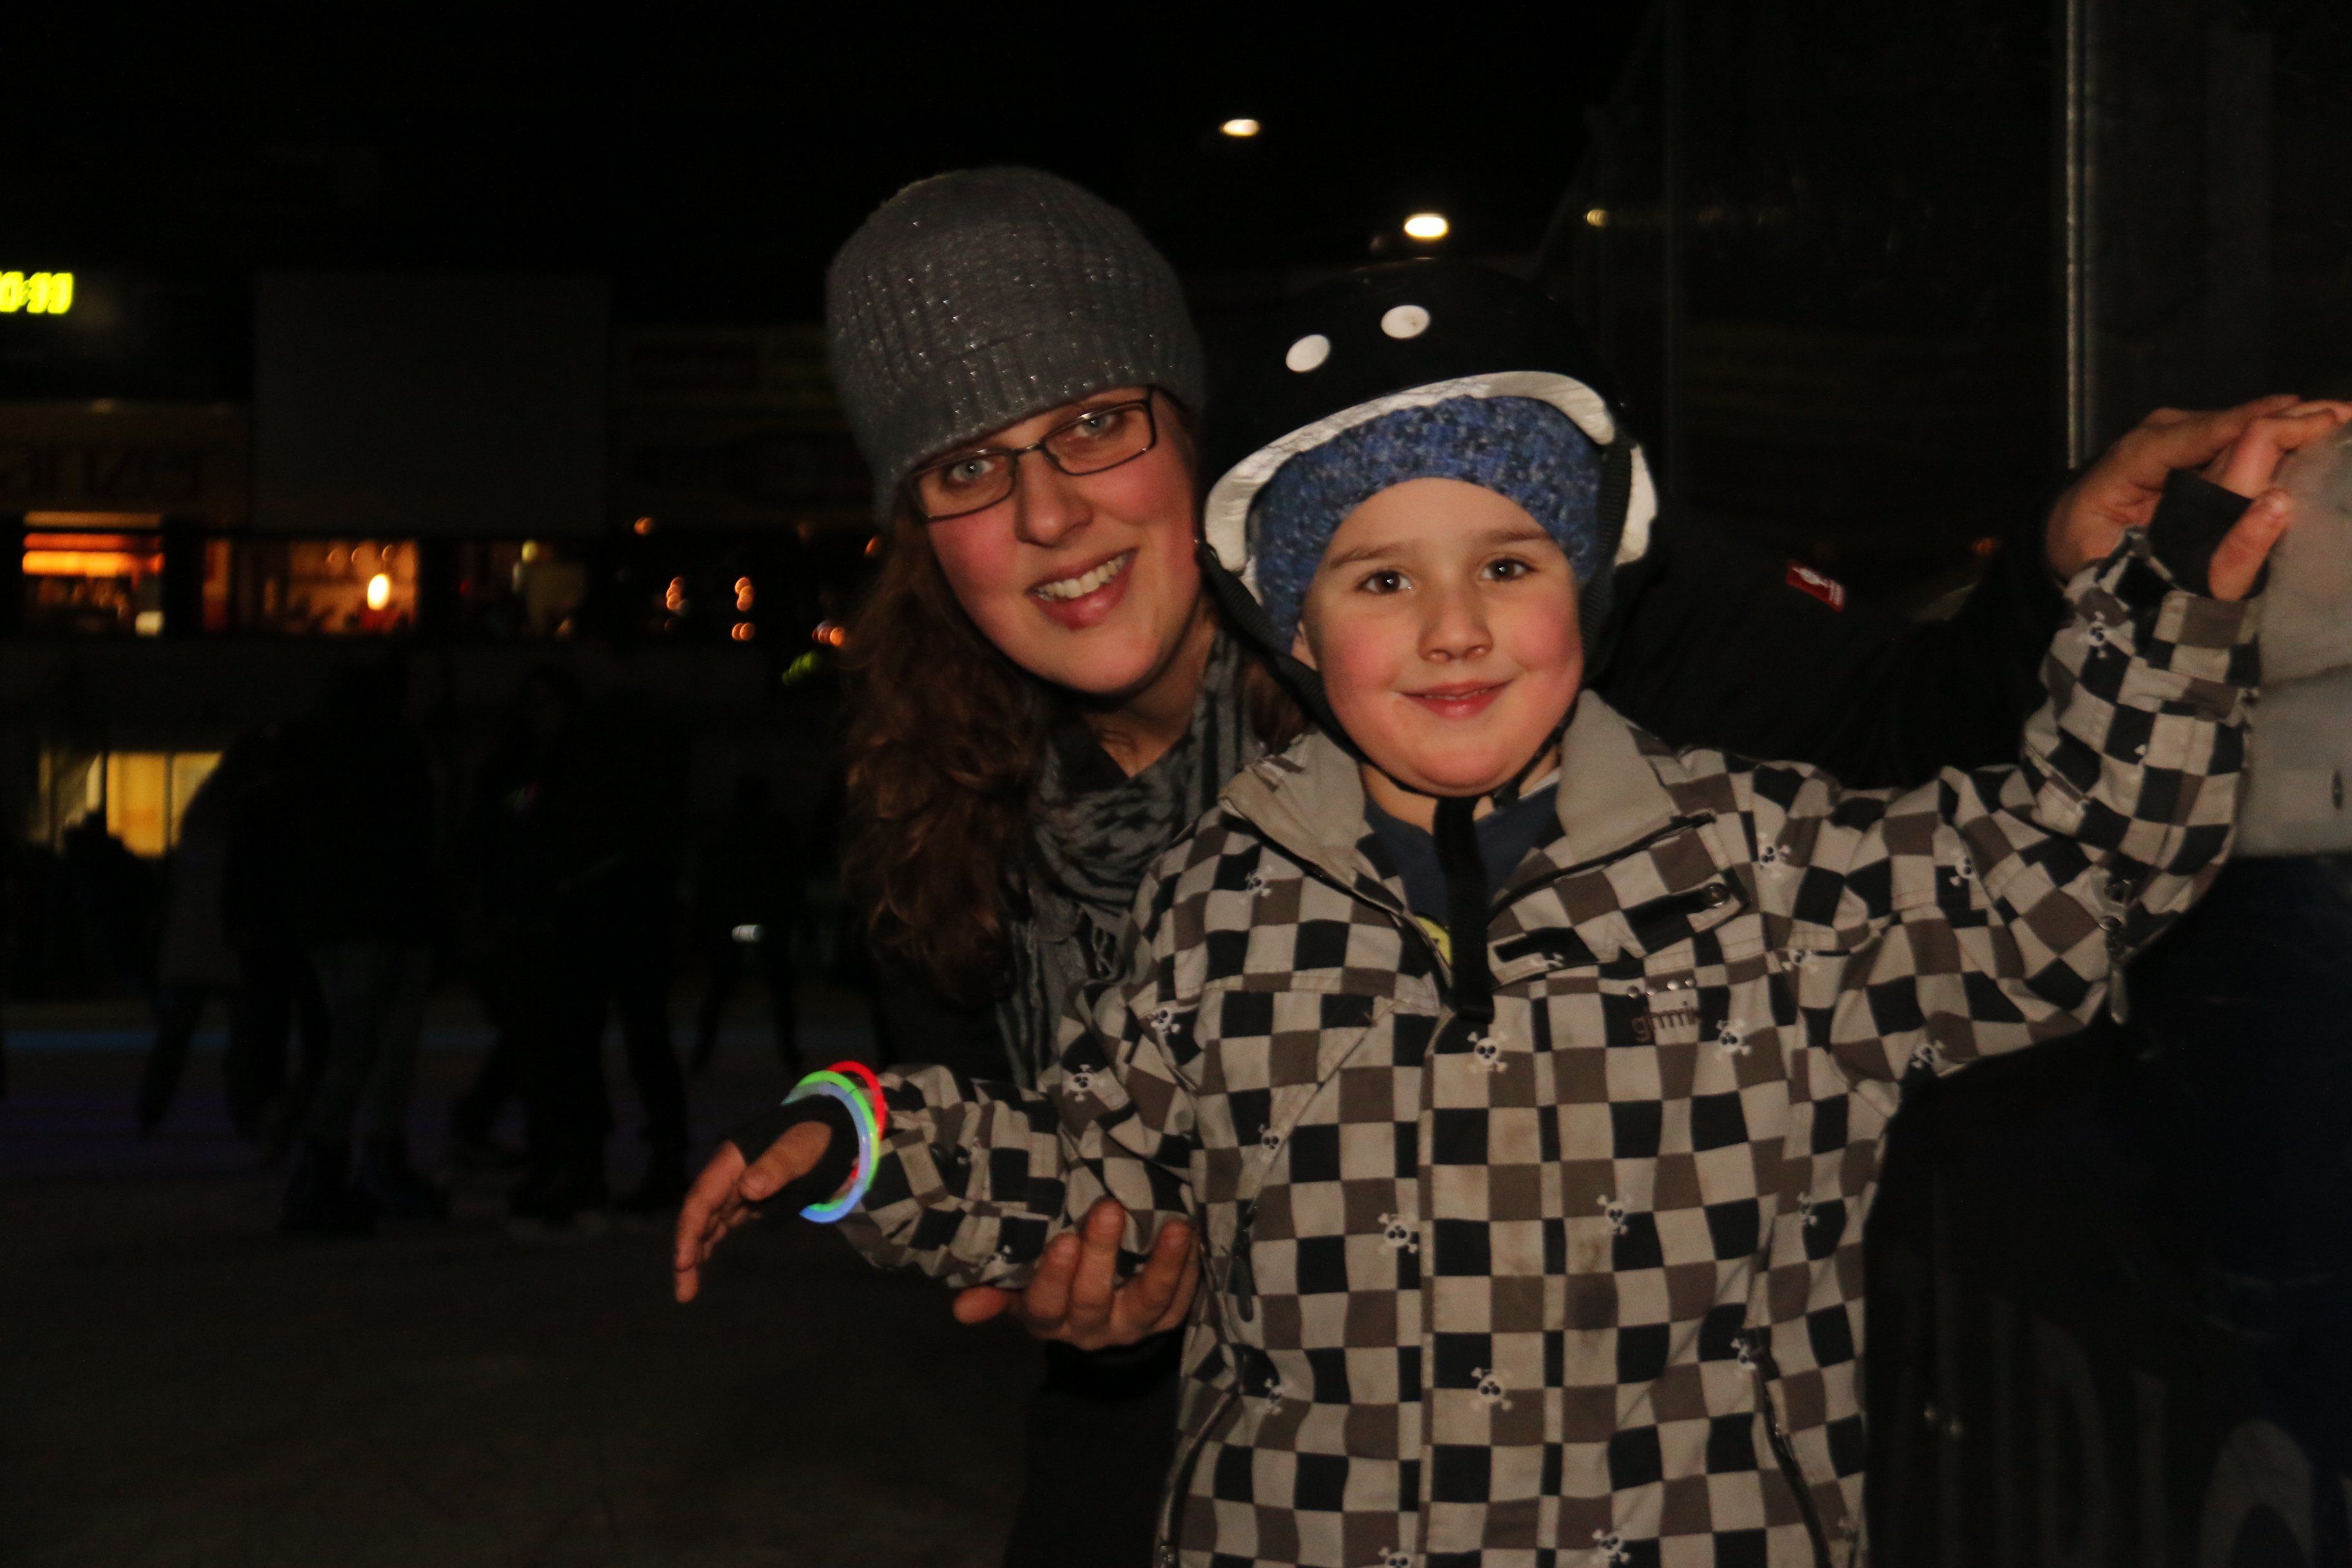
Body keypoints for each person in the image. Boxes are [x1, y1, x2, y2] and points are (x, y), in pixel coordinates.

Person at [676, 170, 2346, 1567]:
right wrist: (865, 1145)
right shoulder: (1194, 895)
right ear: (1295, 616)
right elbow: (1074, 1151)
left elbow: (2042, 855)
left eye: (1094, 425)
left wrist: (2145, 595)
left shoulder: (1757, 861)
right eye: (969, 467)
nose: (1047, 513)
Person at [281, 658, 448, 1235]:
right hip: (380, 918)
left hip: (340, 919)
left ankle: (337, 1169)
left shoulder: (321, 750)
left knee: (359, 1049)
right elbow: (408, 839)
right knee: (366, 1050)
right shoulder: (395, 750)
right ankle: (327, 1172)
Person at [689, 774, 805, 1075]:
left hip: (735, 922)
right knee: (778, 991)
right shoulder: (775, 832)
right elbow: (791, 877)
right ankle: (790, 1054)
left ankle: (702, 1054)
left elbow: (709, 878)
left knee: (719, 989)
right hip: (765, 923)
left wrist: (704, 922)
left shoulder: (726, 832)